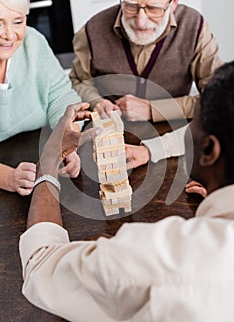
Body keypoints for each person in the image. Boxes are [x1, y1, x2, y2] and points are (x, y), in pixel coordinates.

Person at [20, 61, 234, 321]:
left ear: (210, 151)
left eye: (191, 126)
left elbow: (42, 267)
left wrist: (49, 158)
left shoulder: (158, 259)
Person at [70, 0, 223, 122]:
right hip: (112, 134)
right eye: (131, 6)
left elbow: (217, 96)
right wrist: (96, 102)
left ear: (174, 2)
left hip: (172, 138)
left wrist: (153, 110)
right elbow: (78, 81)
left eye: (153, 8)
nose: (140, 22)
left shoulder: (194, 27)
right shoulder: (92, 29)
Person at [0, 0, 82, 196]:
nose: (9, 34)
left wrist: (67, 139)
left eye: (18, 21)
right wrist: (7, 177)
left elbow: (61, 97)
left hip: (36, 149)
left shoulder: (33, 41)